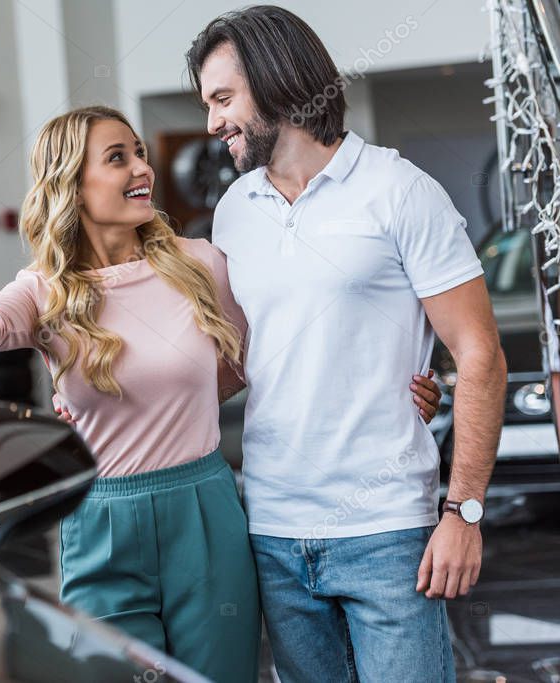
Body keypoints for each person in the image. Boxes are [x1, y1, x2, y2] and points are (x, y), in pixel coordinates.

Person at [0, 105, 442, 681]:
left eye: (139, 153)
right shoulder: (48, 290)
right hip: (100, 521)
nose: (141, 169)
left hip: (203, 512)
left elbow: (282, 344)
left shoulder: (199, 264)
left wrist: (395, 381)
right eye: (118, 158)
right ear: (73, 185)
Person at [183, 6, 507, 681]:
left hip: (386, 531)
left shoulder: (399, 191)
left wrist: (462, 510)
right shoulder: (235, 210)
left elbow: (479, 355)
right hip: (271, 527)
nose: (211, 123)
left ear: (275, 82)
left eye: (222, 99)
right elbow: (240, 360)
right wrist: (107, 398)